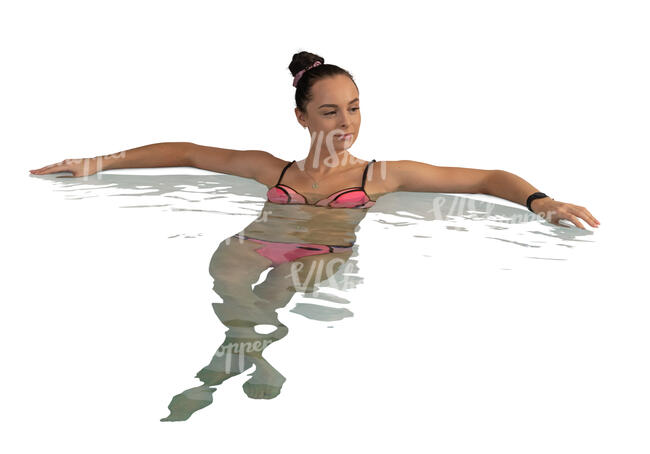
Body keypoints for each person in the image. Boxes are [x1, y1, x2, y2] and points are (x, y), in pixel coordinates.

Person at [29, 50, 600, 230]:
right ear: (302, 117)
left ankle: (245, 354)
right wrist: (96, 161)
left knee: (281, 290)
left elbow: (483, 177)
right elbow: (185, 153)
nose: (346, 122)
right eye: (329, 112)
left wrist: (541, 201)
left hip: (317, 266)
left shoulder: (382, 175)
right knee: (229, 274)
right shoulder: (270, 170)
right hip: (253, 248)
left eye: (353, 108)